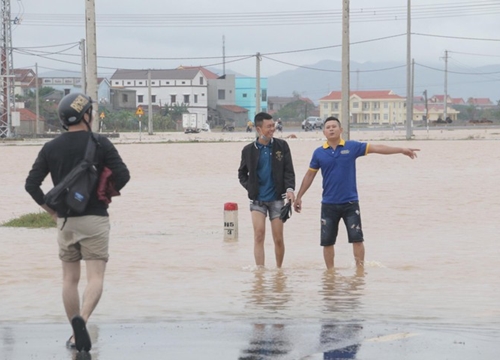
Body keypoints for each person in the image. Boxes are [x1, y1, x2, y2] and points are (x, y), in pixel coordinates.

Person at [25, 93, 130, 352]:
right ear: (86, 116)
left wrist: (51, 211)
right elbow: (123, 175)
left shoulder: (51, 147)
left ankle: (74, 333)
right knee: (95, 277)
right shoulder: (100, 143)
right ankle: (82, 321)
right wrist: (105, 189)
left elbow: (31, 185)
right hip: (94, 218)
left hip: (66, 221)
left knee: (69, 279)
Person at [294, 116, 419, 270]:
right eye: (328, 127)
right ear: (324, 132)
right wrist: (299, 196)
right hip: (328, 204)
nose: (331, 129)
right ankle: (330, 274)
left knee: (357, 239)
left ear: (341, 130)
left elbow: (377, 148)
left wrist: (401, 150)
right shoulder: (319, 153)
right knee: (327, 241)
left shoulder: (351, 147)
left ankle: (360, 271)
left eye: (334, 126)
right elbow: (309, 175)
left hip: (350, 203)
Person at [238, 112, 295, 268]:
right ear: (258, 128)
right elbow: (241, 173)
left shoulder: (281, 146)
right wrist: (250, 187)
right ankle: (260, 272)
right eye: (268, 126)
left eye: (273, 126)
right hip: (257, 200)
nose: (272, 129)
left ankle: (279, 271)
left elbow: (289, 171)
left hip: (277, 199)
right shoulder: (248, 150)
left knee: (278, 238)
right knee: (259, 235)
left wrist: (290, 189)